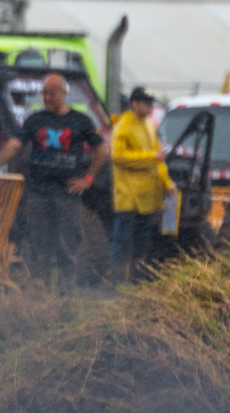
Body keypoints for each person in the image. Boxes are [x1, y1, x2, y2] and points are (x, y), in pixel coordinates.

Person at [13, 73, 101, 282]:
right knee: (38, 243)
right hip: (38, 192)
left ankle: (66, 292)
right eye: (44, 93)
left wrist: (88, 179)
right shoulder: (35, 120)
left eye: (51, 93)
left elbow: (101, 149)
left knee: (67, 243)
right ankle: (39, 290)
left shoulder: (80, 120)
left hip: (67, 193)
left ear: (63, 93)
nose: (47, 98)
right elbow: (15, 144)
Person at [108, 88, 171, 282]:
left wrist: (167, 183)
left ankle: (137, 281)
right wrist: (151, 157)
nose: (150, 107)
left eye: (151, 103)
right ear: (134, 103)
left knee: (142, 242)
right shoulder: (123, 126)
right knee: (122, 240)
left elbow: (159, 160)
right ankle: (117, 280)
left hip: (147, 196)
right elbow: (118, 156)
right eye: (146, 103)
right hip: (128, 195)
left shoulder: (150, 125)